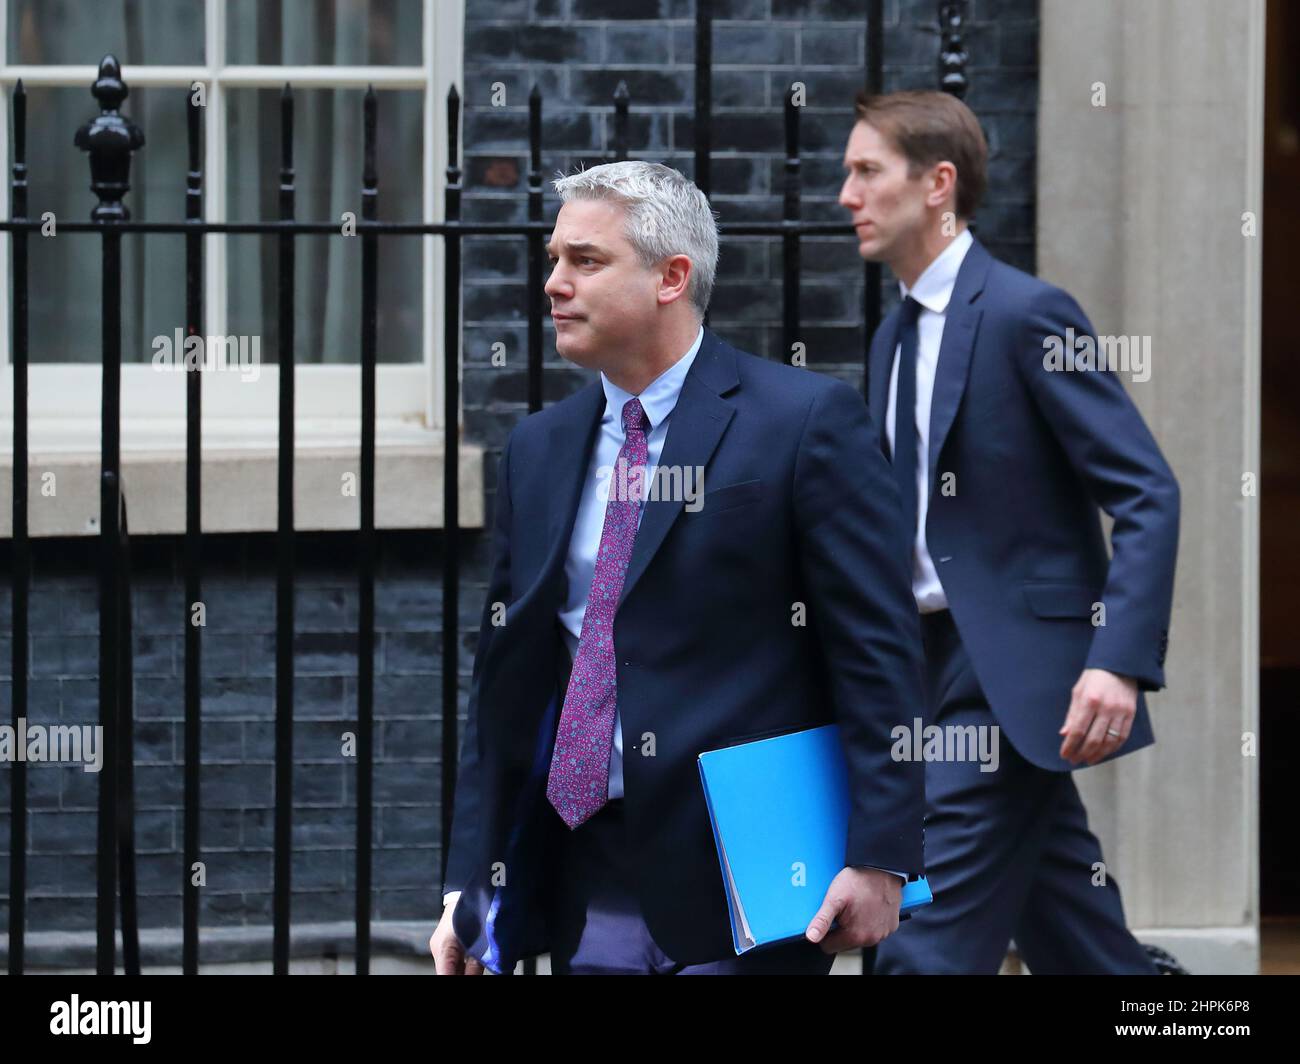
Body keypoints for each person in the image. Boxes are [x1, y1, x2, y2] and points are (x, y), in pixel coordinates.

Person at [429, 160, 926, 975]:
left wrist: (882, 857)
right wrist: (468, 883)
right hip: (584, 861)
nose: (553, 283)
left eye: (585, 261)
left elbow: (877, 652)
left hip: (748, 867)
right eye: (553, 259)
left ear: (672, 276)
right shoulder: (539, 449)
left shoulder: (802, 423)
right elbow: (506, 683)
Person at [838, 90, 1180, 974]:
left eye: (867, 171)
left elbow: (1146, 489)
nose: (847, 194)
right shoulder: (892, 341)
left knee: (919, 945)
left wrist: (1118, 658)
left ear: (938, 183)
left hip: (1011, 677)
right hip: (925, 665)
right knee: (1082, 940)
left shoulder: (1031, 314)